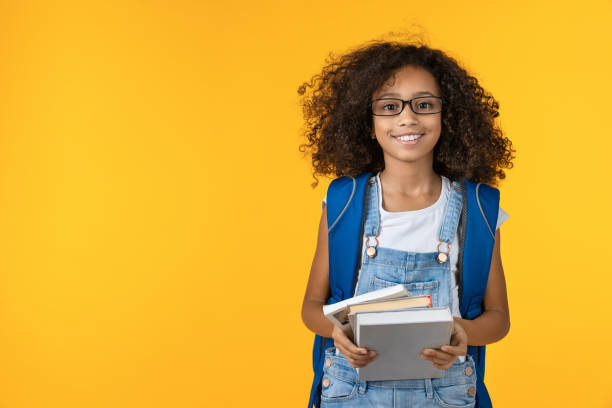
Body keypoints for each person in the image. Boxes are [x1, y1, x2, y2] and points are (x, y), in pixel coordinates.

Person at [299, 37, 514, 408]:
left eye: (425, 104)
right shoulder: (342, 203)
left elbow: (499, 319)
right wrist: (339, 332)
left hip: (445, 394)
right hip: (350, 393)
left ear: (448, 117)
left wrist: (462, 332)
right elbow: (311, 307)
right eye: (389, 106)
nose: (407, 118)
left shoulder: (478, 208)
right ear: (367, 122)